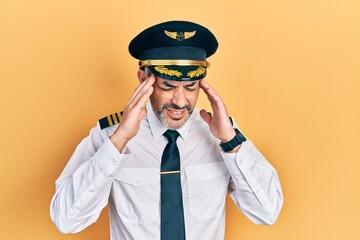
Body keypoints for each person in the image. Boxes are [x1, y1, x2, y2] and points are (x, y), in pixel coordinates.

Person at [50, 20, 283, 240]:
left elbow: (267, 212)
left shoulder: (222, 136)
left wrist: (231, 142)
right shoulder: (108, 136)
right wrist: (119, 140)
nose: (180, 102)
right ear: (144, 79)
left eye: (191, 86)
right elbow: (66, 219)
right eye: (168, 86)